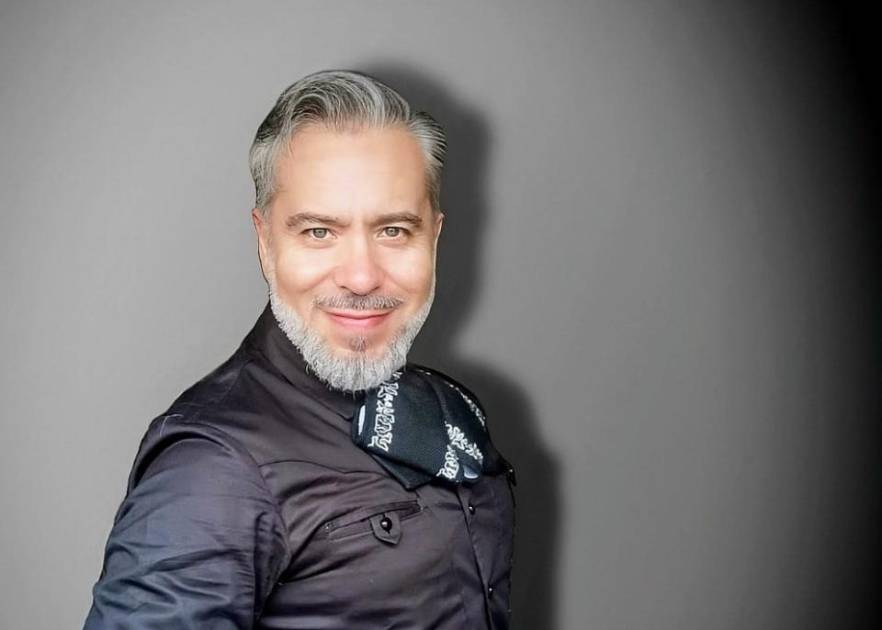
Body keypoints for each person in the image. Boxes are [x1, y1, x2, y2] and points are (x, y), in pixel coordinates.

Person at [84, 70, 516, 629]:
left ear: (433, 237)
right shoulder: (213, 470)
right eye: (319, 232)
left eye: (393, 230)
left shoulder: (451, 407)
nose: (361, 276)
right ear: (265, 242)